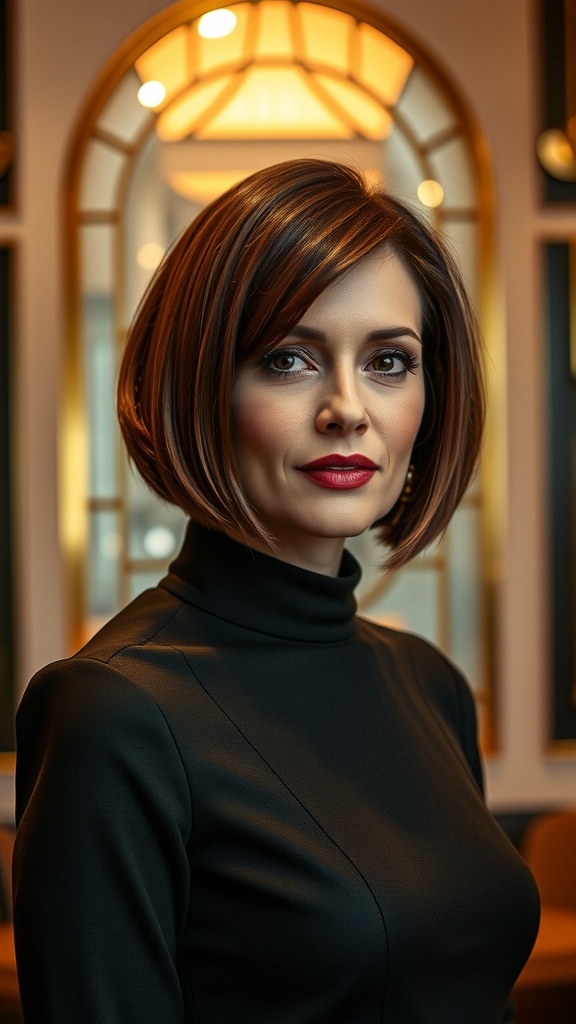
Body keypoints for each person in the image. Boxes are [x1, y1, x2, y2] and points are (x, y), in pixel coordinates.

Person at [13, 159, 539, 1023]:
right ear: (200, 385)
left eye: (389, 361)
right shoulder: (115, 713)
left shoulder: (429, 685)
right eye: (288, 359)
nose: (346, 408)